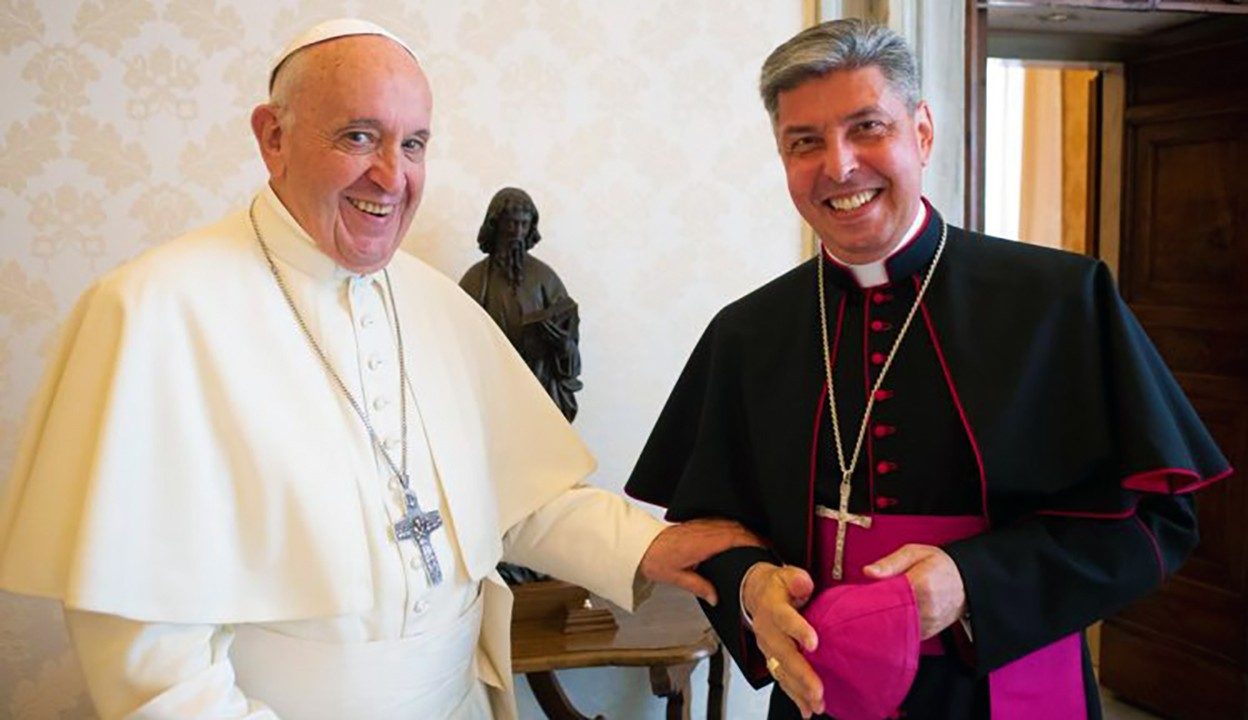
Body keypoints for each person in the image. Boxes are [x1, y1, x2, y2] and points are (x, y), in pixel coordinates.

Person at [0, 19, 758, 720]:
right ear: (273, 137)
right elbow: (147, 655)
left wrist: (644, 546)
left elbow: (517, 500)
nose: (392, 177)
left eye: (415, 144)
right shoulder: (151, 312)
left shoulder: (435, 303)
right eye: (359, 136)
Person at [625, 18, 1230, 720]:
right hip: (822, 688)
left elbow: (1159, 519)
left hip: (1005, 682)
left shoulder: (1059, 301)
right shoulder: (748, 332)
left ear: (922, 132)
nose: (839, 166)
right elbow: (711, 527)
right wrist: (752, 587)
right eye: (805, 142)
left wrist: (972, 582)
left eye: (867, 128)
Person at [460, 187, 583, 422]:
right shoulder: (475, 279)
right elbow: (456, 343)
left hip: (538, 392)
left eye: (523, 225)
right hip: (490, 394)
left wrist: (562, 345)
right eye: (511, 224)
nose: (517, 232)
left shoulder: (546, 279)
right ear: (496, 225)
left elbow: (570, 350)